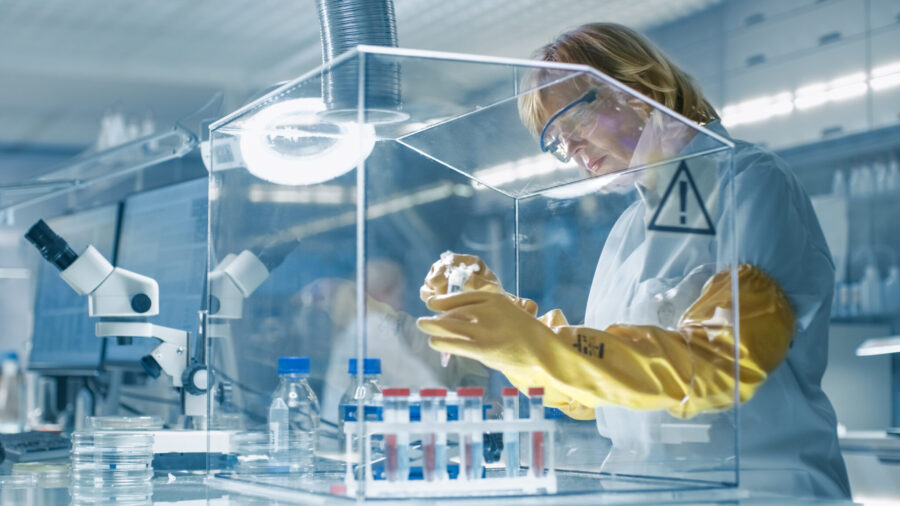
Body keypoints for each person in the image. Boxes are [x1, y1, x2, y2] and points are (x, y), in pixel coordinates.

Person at [417, 23, 851, 499]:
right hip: (642, 491)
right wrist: (507, 333)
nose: (572, 153)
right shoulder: (629, 231)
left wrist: (539, 344)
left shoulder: (746, 184)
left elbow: (720, 364)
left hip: (758, 491)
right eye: (558, 142)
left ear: (637, 89)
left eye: (573, 124)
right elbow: (592, 389)